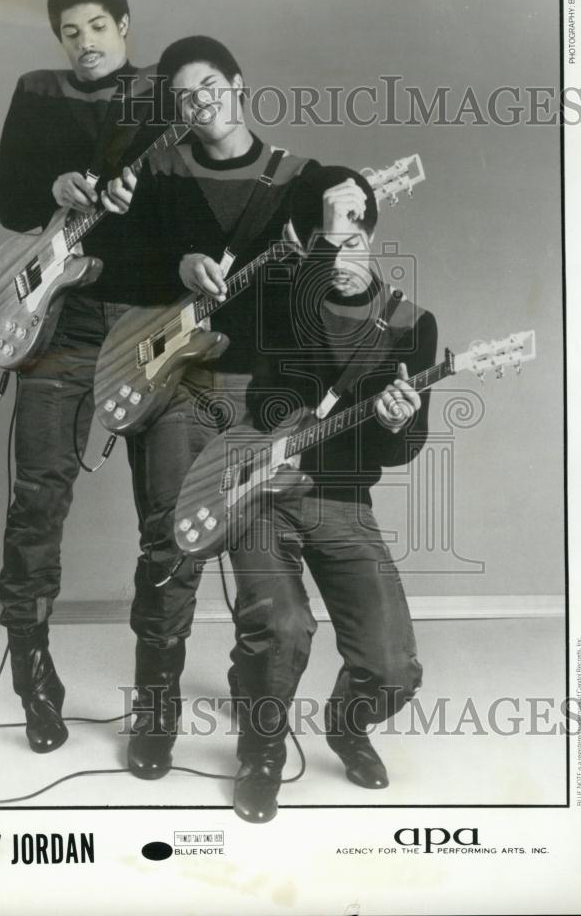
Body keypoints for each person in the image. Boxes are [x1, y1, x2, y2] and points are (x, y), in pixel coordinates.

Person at [87, 35, 325, 780]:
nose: (200, 105)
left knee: (266, 569)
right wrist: (177, 264)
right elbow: (110, 269)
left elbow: (321, 295)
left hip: (259, 397)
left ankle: (261, 729)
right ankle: (155, 705)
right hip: (176, 385)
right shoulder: (157, 170)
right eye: (184, 97)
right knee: (168, 548)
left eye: (210, 88)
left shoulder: (299, 179)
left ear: (239, 84)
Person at [225, 165, 438, 822]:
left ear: (374, 238)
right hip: (260, 490)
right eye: (330, 242)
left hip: (343, 500)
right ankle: (261, 747)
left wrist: (399, 423)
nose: (341, 256)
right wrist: (320, 241)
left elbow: (400, 448)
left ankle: (347, 724)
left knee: (394, 666)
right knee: (283, 628)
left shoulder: (410, 325)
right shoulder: (287, 297)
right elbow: (245, 335)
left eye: (353, 241)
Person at [0, 0, 166, 754]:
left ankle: (157, 694)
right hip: (56, 323)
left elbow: (192, 210)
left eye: (97, 25)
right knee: (36, 503)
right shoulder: (36, 91)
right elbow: (7, 199)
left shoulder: (164, 99)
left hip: (143, 325)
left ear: (123, 26)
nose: (84, 42)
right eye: (70, 31)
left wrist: (147, 202)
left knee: (168, 512)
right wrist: (48, 184)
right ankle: (32, 673)